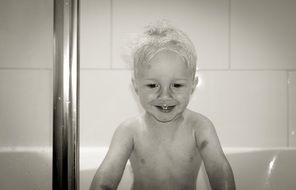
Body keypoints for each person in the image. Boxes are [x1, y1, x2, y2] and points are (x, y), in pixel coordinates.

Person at [90, 21, 236, 190]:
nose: (165, 96)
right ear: (136, 85)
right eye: (153, 86)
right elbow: (107, 176)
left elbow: (219, 169)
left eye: (177, 85)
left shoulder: (199, 127)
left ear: (192, 85)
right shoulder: (129, 130)